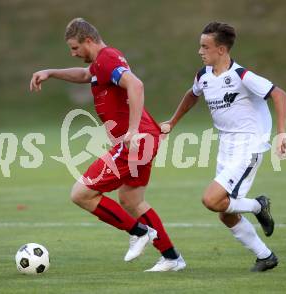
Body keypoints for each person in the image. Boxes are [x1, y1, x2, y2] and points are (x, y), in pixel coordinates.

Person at [29, 18, 186, 272]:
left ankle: (139, 232)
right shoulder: (100, 63)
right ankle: (171, 257)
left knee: (81, 194)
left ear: (88, 41)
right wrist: (50, 72)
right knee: (132, 199)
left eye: (75, 48)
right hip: (146, 139)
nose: (73, 53)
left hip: (136, 141)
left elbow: (136, 84)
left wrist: (133, 130)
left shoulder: (106, 59)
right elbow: (83, 75)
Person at [161, 22, 286, 272]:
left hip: (249, 145)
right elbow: (192, 94)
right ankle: (266, 256)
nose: (200, 51)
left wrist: (282, 134)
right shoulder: (203, 76)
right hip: (226, 146)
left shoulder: (241, 75)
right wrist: (172, 122)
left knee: (211, 200)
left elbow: (279, 94)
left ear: (221, 49)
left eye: (204, 46)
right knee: (225, 212)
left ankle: (257, 206)